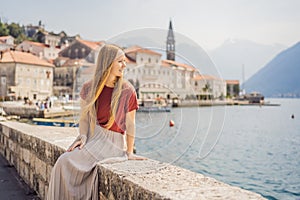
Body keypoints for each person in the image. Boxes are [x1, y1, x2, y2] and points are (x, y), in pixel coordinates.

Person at [47, 44, 146, 200]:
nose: (124, 65)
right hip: (92, 138)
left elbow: (130, 124)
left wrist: (130, 152)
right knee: (63, 162)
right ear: (108, 62)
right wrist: (83, 137)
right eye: (120, 61)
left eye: (125, 61)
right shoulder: (88, 88)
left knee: (66, 162)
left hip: (113, 143)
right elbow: (84, 119)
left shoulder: (128, 90)